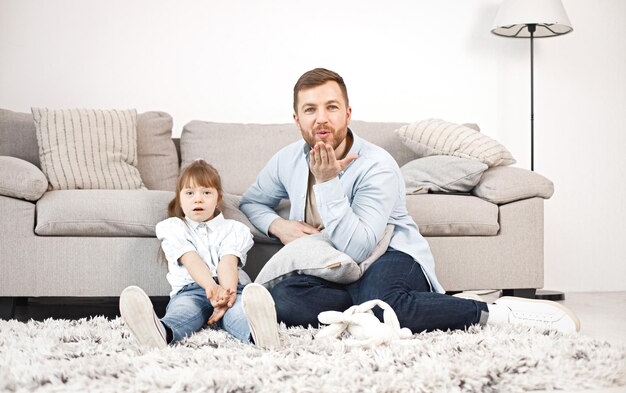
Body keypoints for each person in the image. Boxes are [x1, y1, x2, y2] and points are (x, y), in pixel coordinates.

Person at [239, 67, 580, 334]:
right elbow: (251, 202)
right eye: (310, 109)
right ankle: (374, 314)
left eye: (331, 107)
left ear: (348, 113)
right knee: (279, 299)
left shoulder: (378, 165)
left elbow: (358, 249)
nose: (321, 118)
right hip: (332, 267)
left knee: (385, 304)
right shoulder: (287, 159)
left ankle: (494, 312)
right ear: (297, 119)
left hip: (388, 256)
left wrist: (328, 183)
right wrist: (278, 226)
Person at [120, 159, 280, 348]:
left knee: (238, 314)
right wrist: (211, 288)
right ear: (180, 198)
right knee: (183, 312)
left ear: (218, 198)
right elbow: (191, 260)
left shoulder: (235, 229)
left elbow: (227, 263)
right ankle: (159, 332)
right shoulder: (173, 227)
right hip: (190, 291)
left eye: (206, 192)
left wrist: (225, 297)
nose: (198, 199)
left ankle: (259, 334)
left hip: (230, 290)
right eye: (189, 193)